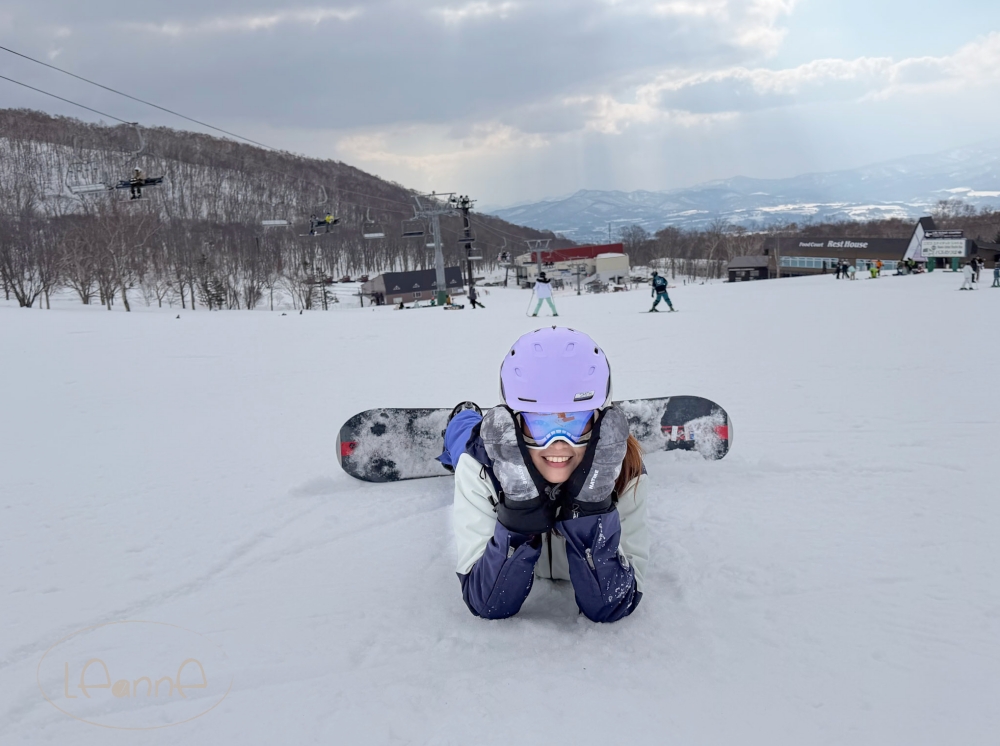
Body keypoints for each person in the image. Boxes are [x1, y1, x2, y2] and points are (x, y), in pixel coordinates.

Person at [438, 327, 648, 622]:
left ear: (600, 420)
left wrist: (591, 509)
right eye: (540, 425)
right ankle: (462, 415)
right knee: (464, 437)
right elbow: (486, 602)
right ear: (515, 421)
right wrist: (518, 514)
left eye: (575, 423)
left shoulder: (624, 472)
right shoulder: (480, 467)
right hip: (485, 447)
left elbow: (613, 604)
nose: (559, 443)